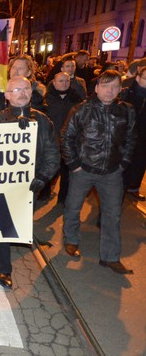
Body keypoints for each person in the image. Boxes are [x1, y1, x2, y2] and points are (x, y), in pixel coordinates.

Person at [0, 76, 60, 288]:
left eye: (25, 88)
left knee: (20, 221)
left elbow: (52, 153)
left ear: (32, 92)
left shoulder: (43, 121)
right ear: (7, 95)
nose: (21, 92)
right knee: (3, 227)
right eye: (16, 89)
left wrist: (44, 177)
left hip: (31, 185)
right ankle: (4, 269)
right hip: (3, 185)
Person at [61, 70, 135, 274]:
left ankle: (111, 257)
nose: (110, 91)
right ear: (96, 88)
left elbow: (131, 139)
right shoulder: (82, 109)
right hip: (83, 169)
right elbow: (66, 136)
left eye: (114, 87)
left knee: (112, 215)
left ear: (120, 89)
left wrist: (123, 164)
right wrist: (74, 164)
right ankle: (71, 241)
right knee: (73, 207)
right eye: (105, 86)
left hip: (112, 173)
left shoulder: (127, 111)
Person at [41, 72, 83, 203]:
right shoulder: (46, 98)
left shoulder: (76, 99)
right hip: (50, 140)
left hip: (68, 142)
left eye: (66, 81)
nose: (64, 83)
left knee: (66, 172)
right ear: (54, 82)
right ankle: (44, 193)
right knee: (48, 168)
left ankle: (63, 198)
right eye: (61, 81)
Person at [121, 66, 146, 201]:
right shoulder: (128, 94)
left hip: (143, 137)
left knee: (140, 163)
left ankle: (134, 187)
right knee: (125, 163)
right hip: (127, 136)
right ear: (138, 78)